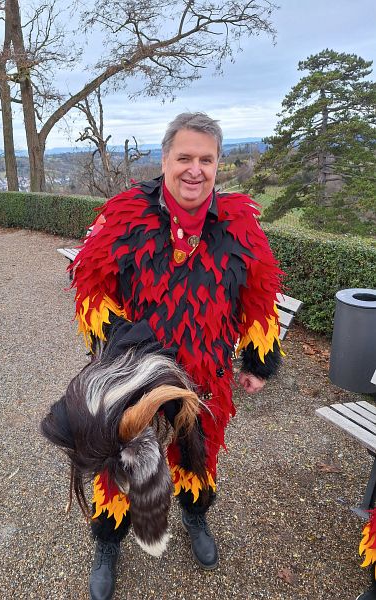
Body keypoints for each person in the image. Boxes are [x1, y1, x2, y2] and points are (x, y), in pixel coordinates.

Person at [70, 112, 283, 600]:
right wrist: (121, 340)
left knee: (198, 456)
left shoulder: (241, 225)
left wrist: (258, 360)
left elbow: (260, 296)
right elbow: (88, 283)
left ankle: (195, 516)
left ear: (218, 164)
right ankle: (108, 540)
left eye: (206, 160)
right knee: (120, 460)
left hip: (205, 376)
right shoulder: (124, 214)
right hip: (134, 375)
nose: (195, 169)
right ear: (165, 159)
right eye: (184, 157)